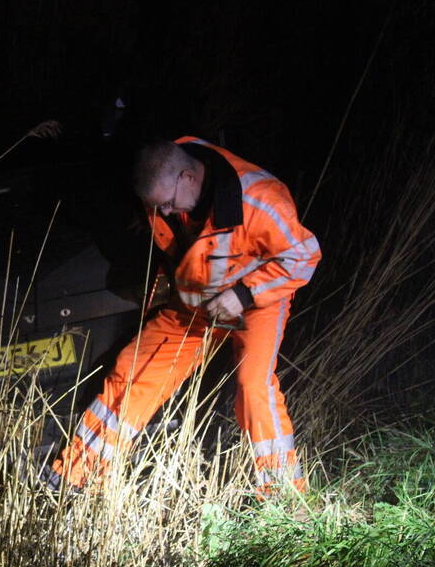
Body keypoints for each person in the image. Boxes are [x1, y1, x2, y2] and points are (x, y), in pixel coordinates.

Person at [45, 136, 321, 495]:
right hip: (194, 305)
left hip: (256, 302)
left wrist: (243, 294)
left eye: (169, 204)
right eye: (157, 207)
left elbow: (304, 256)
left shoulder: (260, 199)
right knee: (132, 373)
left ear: (189, 177)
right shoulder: (163, 181)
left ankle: (284, 497)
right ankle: (76, 478)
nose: (166, 213)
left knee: (254, 388)